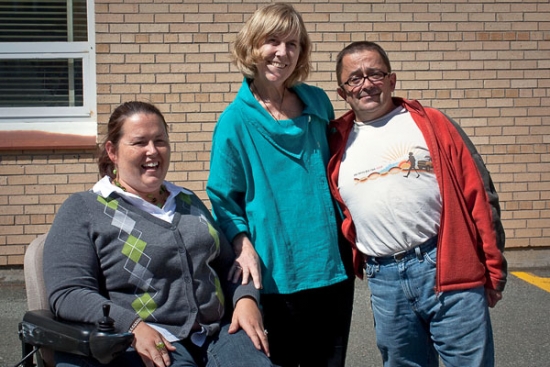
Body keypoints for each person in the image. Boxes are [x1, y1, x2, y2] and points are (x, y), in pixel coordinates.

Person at [43, 101, 274, 367]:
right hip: (150, 341)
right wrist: (131, 326)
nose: (152, 151)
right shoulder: (85, 208)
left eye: (160, 141)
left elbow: (228, 265)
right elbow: (68, 293)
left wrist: (246, 298)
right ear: (113, 151)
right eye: (139, 142)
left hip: (219, 332)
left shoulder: (188, 200)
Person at [327, 41, 507, 367]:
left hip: (447, 266)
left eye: (375, 74)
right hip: (384, 280)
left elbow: (479, 194)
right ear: (343, 92)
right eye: (354, 78)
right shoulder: (336, 141)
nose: (366, 84)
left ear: (392, 80)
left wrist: (494, 268)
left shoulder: (432, 124)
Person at [206, 3, 354, 367]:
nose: (282, 52)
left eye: (293, 44)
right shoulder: (235, 121)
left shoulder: (317, 101)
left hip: (331, 265)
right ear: (253, 46)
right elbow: (224, 198)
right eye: (272, 41)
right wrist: (240, 242)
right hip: (276, 273)